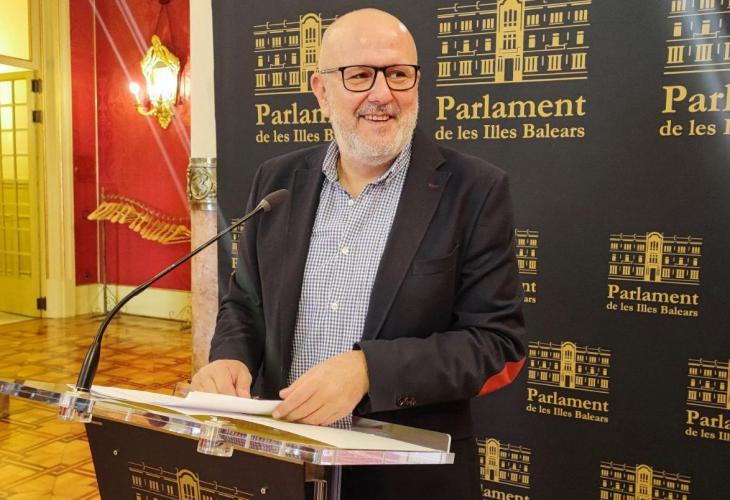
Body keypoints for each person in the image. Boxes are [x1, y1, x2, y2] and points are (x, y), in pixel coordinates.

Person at [192, 8, 526, 499]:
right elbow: (245, 304)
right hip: (285, 465)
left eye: (398, 74)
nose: (382, 94)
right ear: (322, 91)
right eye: (360, 75)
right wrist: (229, 359)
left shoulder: (475, 190)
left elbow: (496, 343)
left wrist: (370, 370)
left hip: (406, 476)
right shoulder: (276, 181)